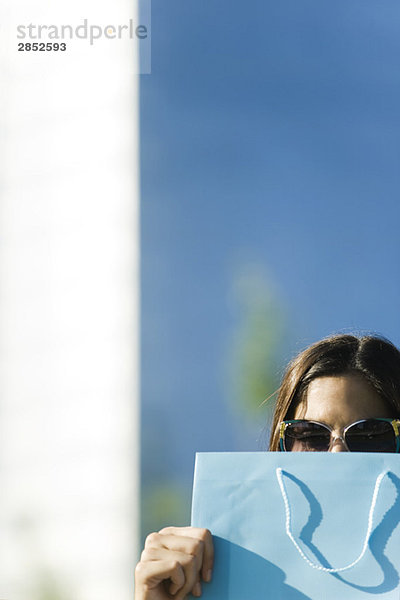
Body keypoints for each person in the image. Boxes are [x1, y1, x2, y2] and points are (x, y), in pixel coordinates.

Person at [134, 333, 400, 600]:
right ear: (280, 444)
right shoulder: (215, 567)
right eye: (310, 435)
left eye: (370, 434)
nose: (337, 454)